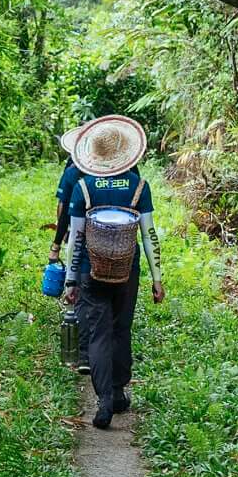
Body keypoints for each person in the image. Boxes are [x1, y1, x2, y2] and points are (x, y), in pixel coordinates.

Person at [49, 114, 164, 429]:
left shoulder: (83, 188)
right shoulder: (139, 186)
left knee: (98, 333)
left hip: (90, 270)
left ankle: (103, 402)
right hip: (129, 271)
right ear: (127, 153)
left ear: (93, 154)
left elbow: (76, 239)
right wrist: (157, 279)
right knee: (120, 329)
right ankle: (117, 391)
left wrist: (71, 280)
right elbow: (149, 235)